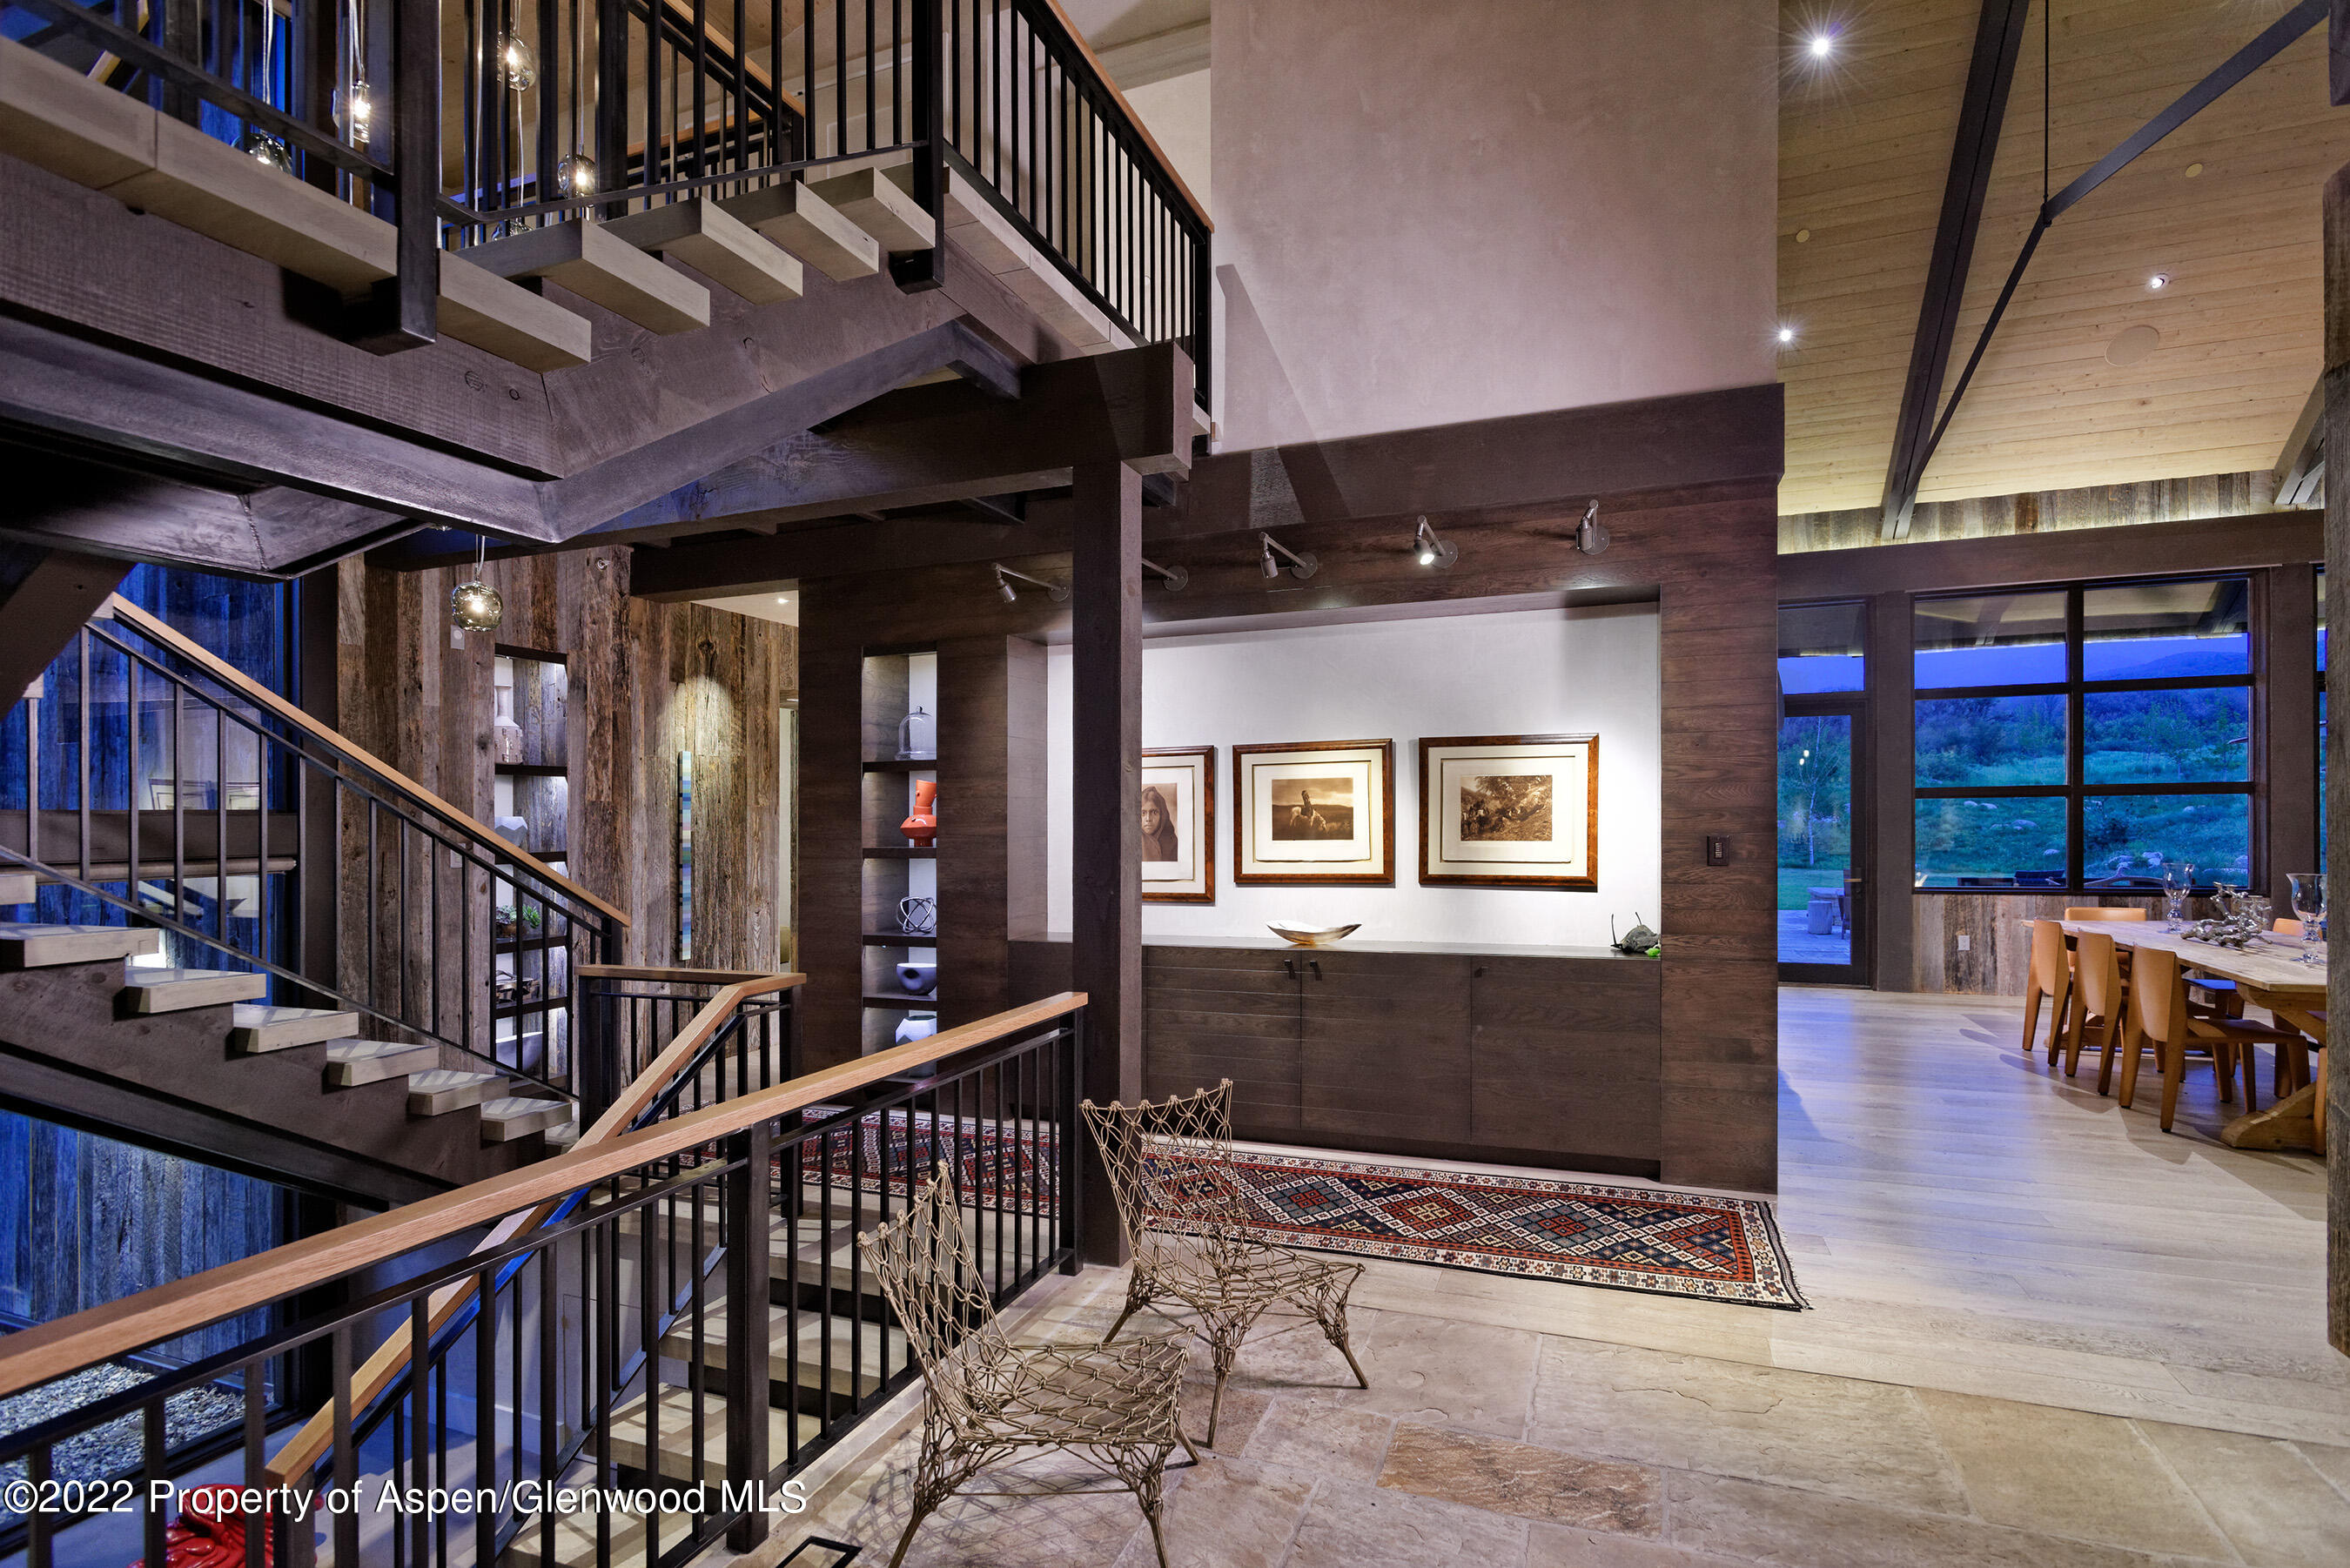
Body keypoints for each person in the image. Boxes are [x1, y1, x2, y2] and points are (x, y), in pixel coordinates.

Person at [1140, 785, 1178, 861]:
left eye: (1154, 812)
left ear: (1162, 816)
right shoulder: (1131, 841)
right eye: (1143, 813)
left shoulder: (1172, 843)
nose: (1148, 819)